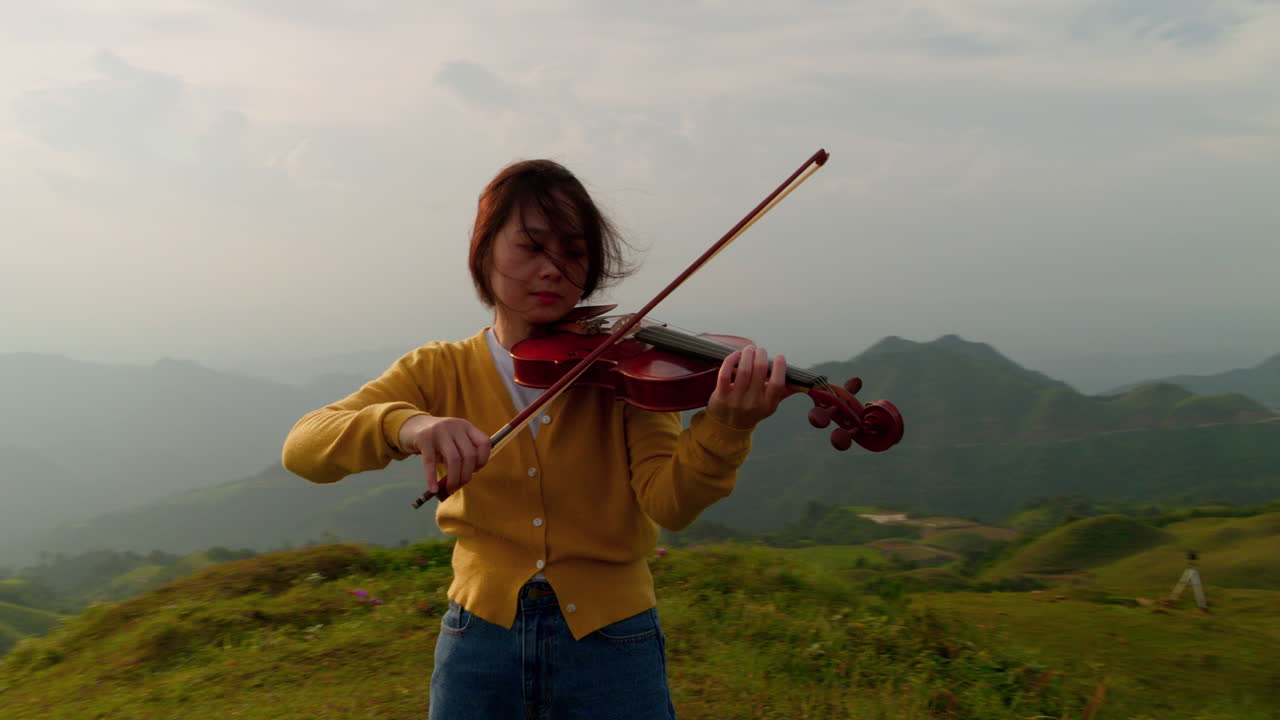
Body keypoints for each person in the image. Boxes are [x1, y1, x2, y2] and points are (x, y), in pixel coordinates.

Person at [282, 159, 792, 719]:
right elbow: (304, 448)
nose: (553, 269)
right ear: (484, 252)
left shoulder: (622, 366)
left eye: (573, 251)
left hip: (613, 642)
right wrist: (409, 425)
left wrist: (726, 426)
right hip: (479, 640)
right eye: (531, 246)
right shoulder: (440, 368)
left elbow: (670, 502)